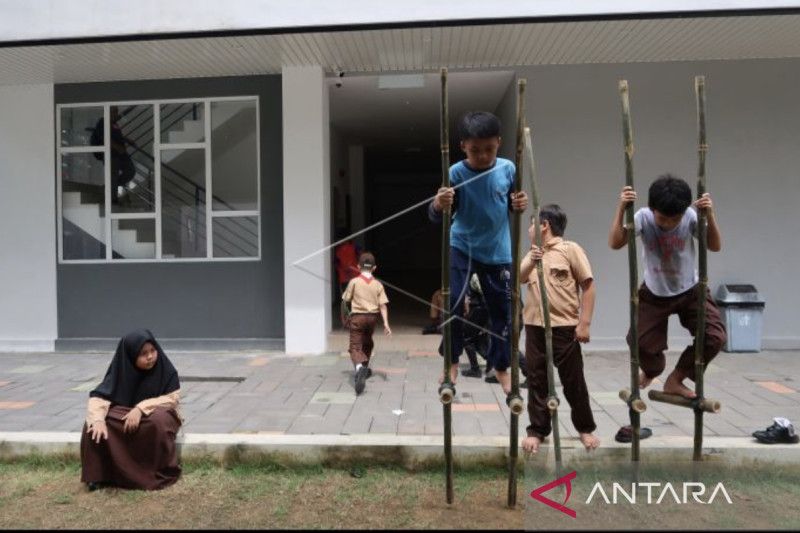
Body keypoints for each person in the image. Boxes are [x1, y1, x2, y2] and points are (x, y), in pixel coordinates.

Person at [429, 111, 528, 395]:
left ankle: (500, 366)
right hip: (462, 246)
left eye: (489, 149)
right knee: (455, 305)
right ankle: (451, 362)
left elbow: (510, 206)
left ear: (499, 142)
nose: (483, 156)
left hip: (498, 251)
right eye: (475, 150)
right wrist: (439, 203)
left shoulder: (508, 169)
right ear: (463, 147)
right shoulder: (456, 173)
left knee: (505, 312)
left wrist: (519, 203)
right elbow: (437, 217)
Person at [608, 174, 726, 400]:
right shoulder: (643, 217)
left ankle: (676, 378)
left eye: (675, 219)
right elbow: (615, 243)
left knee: (714, 337)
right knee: (638, 342)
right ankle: (653, 370)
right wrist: (621, 207)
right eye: (663, 219)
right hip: (654, 292)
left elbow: (714, 246)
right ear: (652, 209)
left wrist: (709, 214)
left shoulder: (690, 216)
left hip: (690, 290)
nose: (670, 224)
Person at [519, 205, 599, 454]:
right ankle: (537, 431)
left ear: (544, 225)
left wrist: (584, 323)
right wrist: (532, 260)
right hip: (534, 326)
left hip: (564, 327)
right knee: (536, 379)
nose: (530, 229)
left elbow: (588, 286)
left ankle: (585, 429)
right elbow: (518, 278)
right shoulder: (532, 254)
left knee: (573, 379)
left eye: (532, 224)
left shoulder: (570, 250)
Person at [81, 329, 182, 491]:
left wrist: (140, 408)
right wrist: (98, 420)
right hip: (126, 416)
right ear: (130, 355)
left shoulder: (165, 370)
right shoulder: (122, 370)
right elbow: (99, 397)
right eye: (143, 353)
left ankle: (154, 473)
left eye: (152, 350)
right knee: (94, 424)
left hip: (153, 415)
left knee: (158, 421)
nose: (150, 356)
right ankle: (100, 475)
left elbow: (172, 398)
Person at [342, 252, 392, 395]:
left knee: (355, 346)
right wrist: (386, 324)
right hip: (372, 319)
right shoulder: (378, 284)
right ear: (374, 268)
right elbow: (383, 305)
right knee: (367, 343)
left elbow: (346, 299)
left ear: (358, 267)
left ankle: (359, 368)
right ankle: (365, 365)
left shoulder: (354, 282)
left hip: (358, 317)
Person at [334, 229, 361, 300]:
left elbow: (361, 257)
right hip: (345, 275)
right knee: (348, 295)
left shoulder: (354, 247)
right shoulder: (338, 250)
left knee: (350, 295)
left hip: (352, 274)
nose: (339, 241)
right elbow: (336, 263)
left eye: (340, 239)